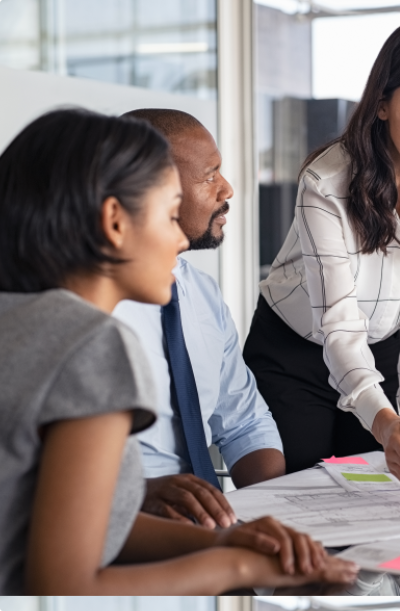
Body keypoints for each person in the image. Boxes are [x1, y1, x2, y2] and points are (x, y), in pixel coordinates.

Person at [0, 108, 358, 594]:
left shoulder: (21, 321)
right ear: (114, 222)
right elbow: (63, 585)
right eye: (170, 215)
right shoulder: (92, 342)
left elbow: (70, 521)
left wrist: (224, 542)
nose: (177, 238)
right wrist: (243, 568)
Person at [243, 20, 400, 488]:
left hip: (382, 348)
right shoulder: (326, 182)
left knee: (378, 497)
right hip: (295, 350)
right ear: (382, 103)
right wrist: (381, 420)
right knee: (301, 495)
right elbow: (338, 323)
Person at [113, 109, 285, 530]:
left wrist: (276, 513)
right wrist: (136, 494)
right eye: (210, 175)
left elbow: (244, 420)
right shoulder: (90, 307)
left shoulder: (201, 292)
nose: (227, 188)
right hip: (121, 523)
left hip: (209, 529)